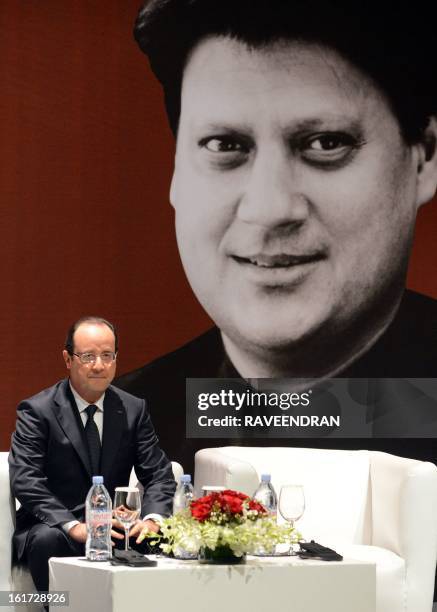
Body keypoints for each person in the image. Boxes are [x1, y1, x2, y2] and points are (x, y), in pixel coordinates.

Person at [115, 0, 437, 475]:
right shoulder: (115, 429)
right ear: (177, 173)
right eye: (225, 145)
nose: (268, 209)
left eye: (326, 143)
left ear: (424, 159)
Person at [9, 316, 176, 593]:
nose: (99, 366)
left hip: (113, 525)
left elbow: (159, 474)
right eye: (88, 356)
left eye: (107, 356)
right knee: (47, 541)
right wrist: (74, 525)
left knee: (165, 536)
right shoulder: (38, 411)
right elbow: (26, 479)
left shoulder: (133, 409)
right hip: (59, 526)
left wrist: (152, 520)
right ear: (67, 359)